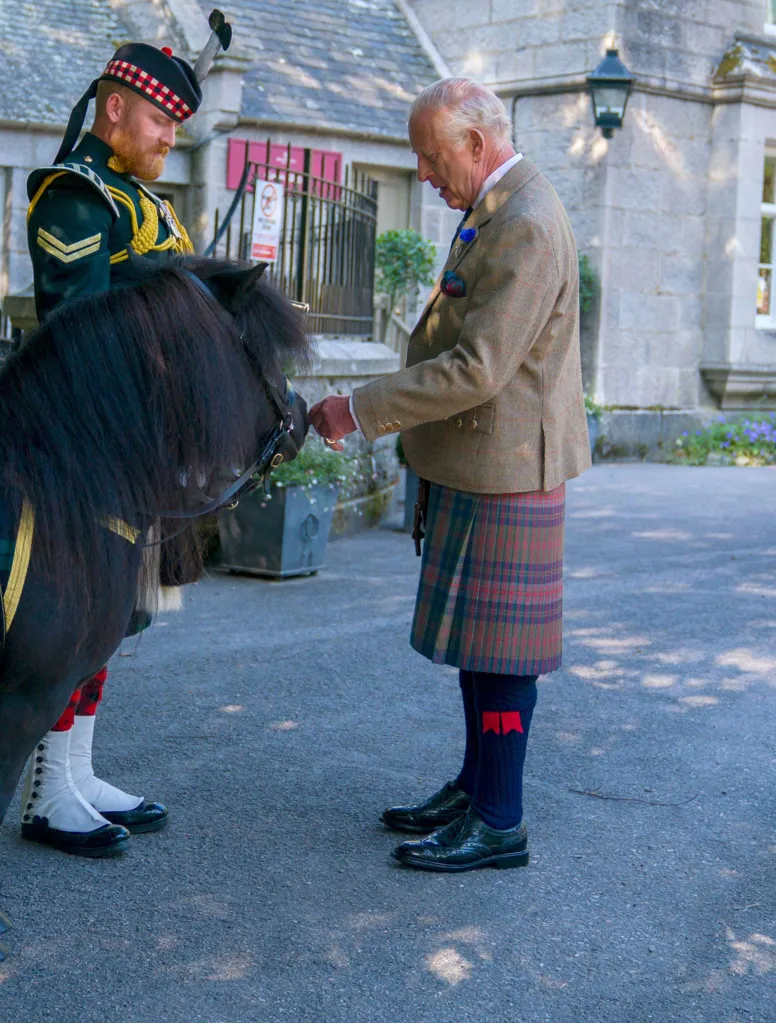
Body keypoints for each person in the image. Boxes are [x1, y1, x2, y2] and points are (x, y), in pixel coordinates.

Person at [309, 77, 591, 872]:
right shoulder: (496, 205)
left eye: (431, 158)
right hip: (480, 460)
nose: (425, 174)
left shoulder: (528, 221)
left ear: (476, 142)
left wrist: (359, 407)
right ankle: (476, 785)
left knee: (503, 651)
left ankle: (500, 817)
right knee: (480, 644)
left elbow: (479, 367)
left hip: (508, 468)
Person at [15, 41, 202, 857]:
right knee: (80, 615)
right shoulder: (74, 195)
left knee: (116, 620)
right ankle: (45, 792)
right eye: (160, 118)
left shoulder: (142, 201)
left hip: (137, 443)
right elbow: (80, 331)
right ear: (115, 108)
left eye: (176, 125)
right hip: (83, 439)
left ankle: (77, 773)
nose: (169, 138)